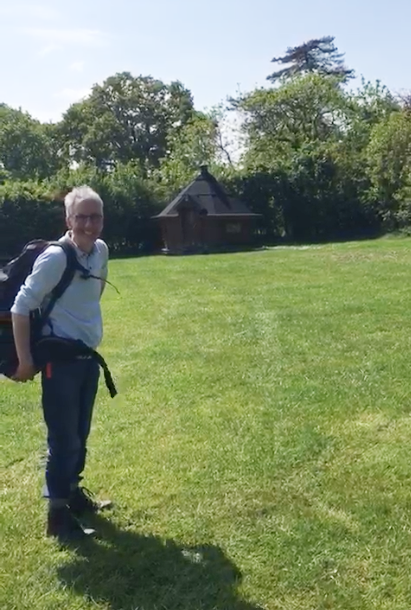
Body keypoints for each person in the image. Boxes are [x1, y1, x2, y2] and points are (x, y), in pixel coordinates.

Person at [11, 185, 112, 541]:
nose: (88, 223)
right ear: (68, 219)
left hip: (86, 359)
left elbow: (93, 295)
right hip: (59, 363)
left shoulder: (100, 251)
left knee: (80, 433)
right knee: (63, 438)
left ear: (102, 219)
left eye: (95, 216)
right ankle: (57, 518)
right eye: (81, 216)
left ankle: (72, 494)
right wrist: (25, 361)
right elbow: (21, 307)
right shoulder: (56, 257)